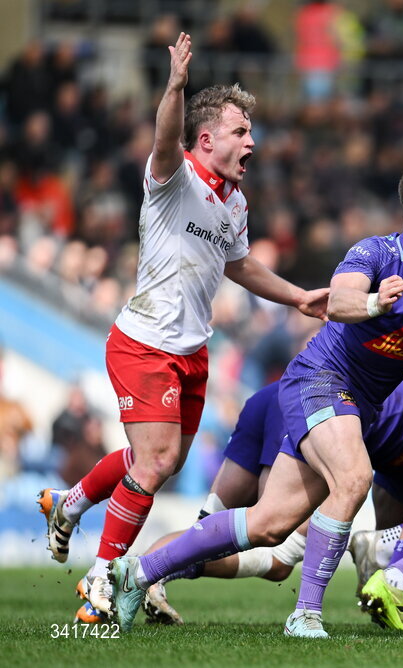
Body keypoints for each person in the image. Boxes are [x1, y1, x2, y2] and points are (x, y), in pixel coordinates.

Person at [106, 162, 403, 636]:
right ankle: (305, 615)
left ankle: (138, 572)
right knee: (355, 476)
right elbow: (338, 303)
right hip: (319, 378)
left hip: (360, 404)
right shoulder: (376, 253)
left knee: (269, 526)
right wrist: (376, 304)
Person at [36, 32, 330, 623]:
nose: (253, 141)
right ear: (206, 138)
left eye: (251, 131)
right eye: (241, 131)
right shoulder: (173, 176)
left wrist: (298, 296)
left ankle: (66, 506)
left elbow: (239, 264)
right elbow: (164, 137)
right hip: (145, 341)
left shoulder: (235, 202)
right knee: (155, 461)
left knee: (160, 463)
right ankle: (103, 582)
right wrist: (174, 86)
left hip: (191, 351)